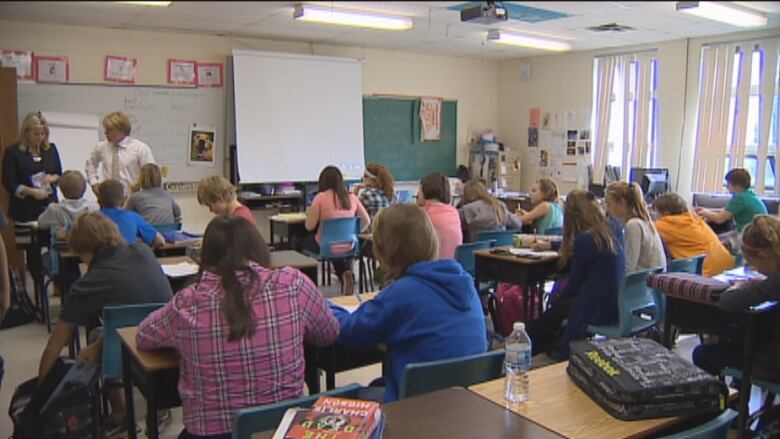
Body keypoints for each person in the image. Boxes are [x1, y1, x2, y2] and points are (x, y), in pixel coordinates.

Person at [137, 215, 339, 439]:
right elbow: (328, 333)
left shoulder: (187, 302)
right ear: (259, 247)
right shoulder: (293, 284)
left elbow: (144, 335)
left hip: (211, 434)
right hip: (283, 428)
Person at [329, 204, 486, 402]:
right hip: (465, 405)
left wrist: (327, 307)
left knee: (348, 398)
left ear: (386, 251)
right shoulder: (465, 283)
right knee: (379, 383)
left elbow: (350, 332)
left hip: (414, 409)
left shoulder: (402, 293)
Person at [37, 213, 172, 432]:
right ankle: (155, 409)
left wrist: (39, 396)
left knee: (96, 336)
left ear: (85, 250)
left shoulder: (88, 283)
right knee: (104, 335)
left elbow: (54, 346)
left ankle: (122, 414)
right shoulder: (143, 251)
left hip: (135, 355)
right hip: (171, 342)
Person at [527, 190, 625, 359]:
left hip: (594, 308)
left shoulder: (584, 240)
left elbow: (574, 284)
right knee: (554, 314)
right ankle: (537, 345)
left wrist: (556, 300)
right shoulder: (613, 227)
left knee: (554, 312)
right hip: (616, 301)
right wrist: (552, 245)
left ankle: (527, 343)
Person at [692, 215, 780, 383]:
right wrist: (764, 283)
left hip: (773, 365)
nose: (758, 271)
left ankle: (719, 400)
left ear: (764, 255)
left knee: (702, 353)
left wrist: (739, 286)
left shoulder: (776, 282)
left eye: (755, 265)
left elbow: (727, 301)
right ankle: (738, 396)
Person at [304, 166, 370, 294]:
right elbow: (366, 220)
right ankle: (345, 275)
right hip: (350, 245)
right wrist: (354, 232)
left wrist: (309, 214)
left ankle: (309, 288)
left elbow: (309, 226)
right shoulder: (351, 197)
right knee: (338, 248)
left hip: (326, 247)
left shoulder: (320, 197)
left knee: (299, 242)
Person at [653, 193, 735, 276]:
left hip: (707, 274)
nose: (656, 216)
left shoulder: (663, 225)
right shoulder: (694, 219)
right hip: (727, 268)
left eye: (656, 213)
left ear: (666, 213)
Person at [2, 112, 63, 222]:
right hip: (24, 209)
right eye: (36, 134)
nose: (40, 137)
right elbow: (9, 182)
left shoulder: (51, 149)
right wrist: (31, 191)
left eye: (43, 133)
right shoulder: (13, 152)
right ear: (26, 133)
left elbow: (59, 174)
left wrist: (53, 178)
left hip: (50, 206)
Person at [85, 111, 155, 196]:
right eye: (106, 129)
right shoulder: (102, 147)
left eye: (109, 130)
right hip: (109, 198)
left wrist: (139, 184)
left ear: (121, 130)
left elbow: (150, 173)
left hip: (133, 198)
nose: (105, 133)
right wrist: (94, 183)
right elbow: (90, 164)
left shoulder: (140, 149)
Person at [605, 181, 666, 273]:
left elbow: (628, 268)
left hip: (643, 283)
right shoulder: (644, 221)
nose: (606, 208)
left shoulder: (633, 225)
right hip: (651, 279)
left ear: (621, 202)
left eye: (609, 204)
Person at [696, 168, 768, 232]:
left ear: (737, 185)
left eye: (728, 183)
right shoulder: (748, 194)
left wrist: (705, 213)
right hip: (757, 233)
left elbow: (719, 219)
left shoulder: (740, 198)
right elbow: (727, 211)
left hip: (748, 236)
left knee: (716, 242)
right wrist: (706, 211)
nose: (727, 186)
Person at [98, 179, 165, 247]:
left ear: (98, 200)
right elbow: (160, 241)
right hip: (127, 256)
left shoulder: (90, 221)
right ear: (123, 200)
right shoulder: (133, 217)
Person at [37, 170, 98, 236]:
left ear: (61, 189)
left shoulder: (53, 209)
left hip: (60, 245)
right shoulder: (94, 208)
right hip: (85, 245)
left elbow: (41, 224)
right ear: (85, 188)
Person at [417, 172, 462, 259]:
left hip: (430, 269)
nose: (418, 194)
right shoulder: (454, 212)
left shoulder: (423, 215)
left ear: (425, 191)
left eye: (420, 189)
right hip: (452, 268)